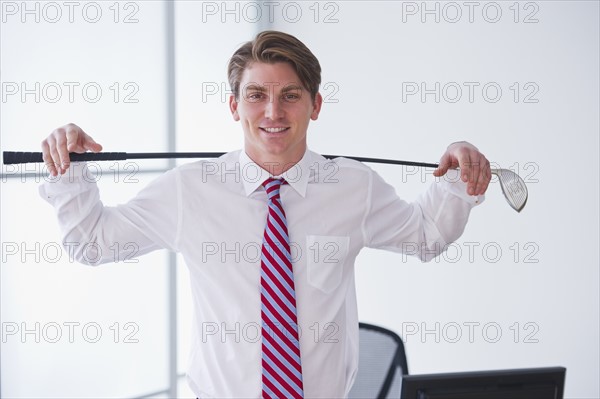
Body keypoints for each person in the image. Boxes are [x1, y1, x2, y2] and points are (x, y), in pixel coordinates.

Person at [40, 31, 491, 398]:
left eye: (290, 95)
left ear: (315, 105)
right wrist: (69, 172)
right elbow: (92, 243)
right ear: (234, 106)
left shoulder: (354, 187)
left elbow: (427, 235)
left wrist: (459, 176)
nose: (273, 112)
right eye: (256, 95)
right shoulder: (189, 190)